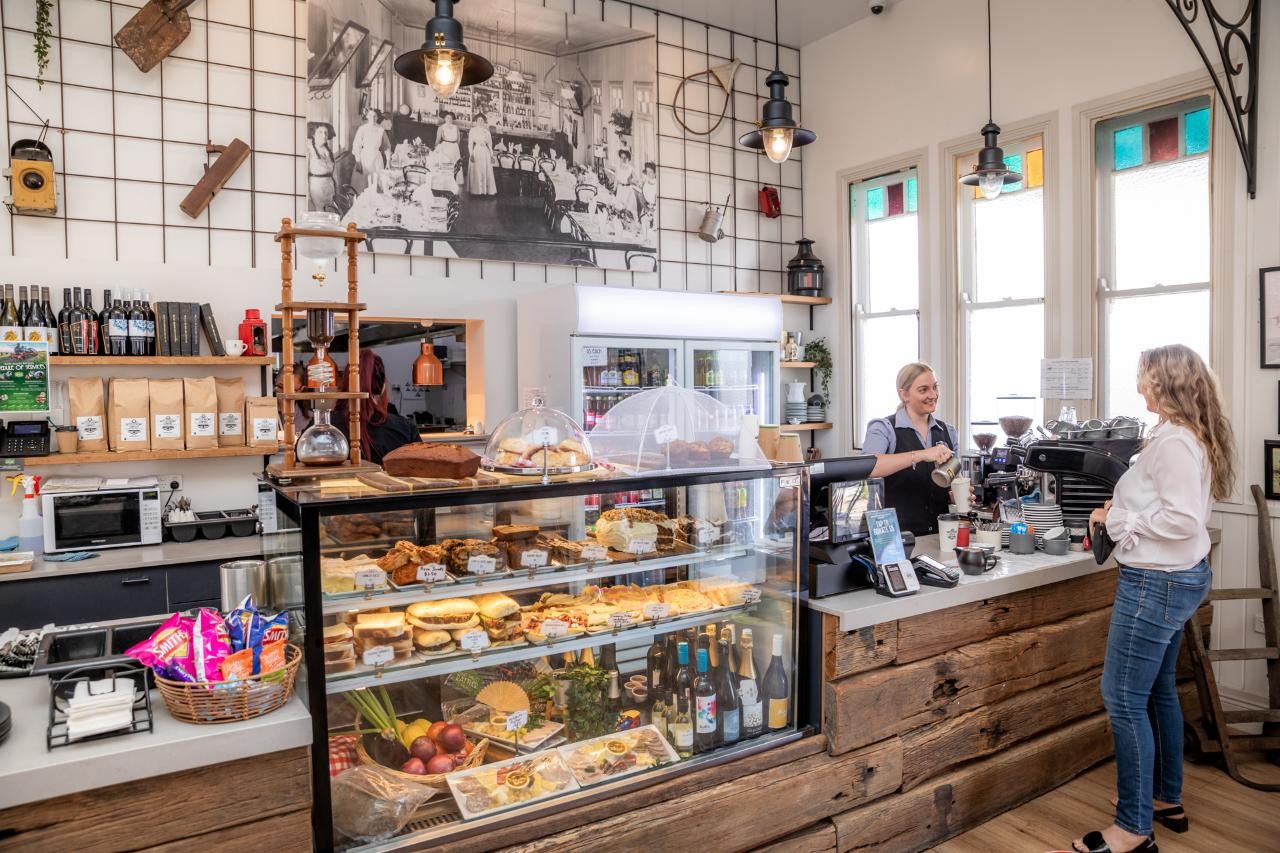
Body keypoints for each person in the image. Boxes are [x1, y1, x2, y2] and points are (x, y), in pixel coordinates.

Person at [1070, 345, 1235, 853]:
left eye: (1144, 377)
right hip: (1176, 577)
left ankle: (1132, 829)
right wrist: (1125, 506)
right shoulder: (1182, 434)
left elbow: (1183, 518)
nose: (1139, 385)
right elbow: (1172, 507)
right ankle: (1165, 799)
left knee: (1122, 699)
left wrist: (1115, 519)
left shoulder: (1175, 442)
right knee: (1159, 689)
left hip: (1154, 584)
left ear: (1165, 384)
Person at [860, 362, 957, 536]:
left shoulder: (948, 431)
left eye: (935, 387)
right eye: (923, 390)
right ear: (904, 395)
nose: (933, 395)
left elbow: (952, 482)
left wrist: (956, 494)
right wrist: (922, 454)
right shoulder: (884, 428)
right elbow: (868, 467)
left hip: (939, 536)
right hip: (895, 538)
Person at [337, 351, 422, 466]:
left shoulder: (326, 429)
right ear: (382, 387)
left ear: (344, 385)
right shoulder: (406, 428)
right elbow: (422, 468)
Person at [351, 109, 388, 193]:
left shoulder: (381, 130)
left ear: (377, 117)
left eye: (375, 116)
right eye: (370, 116)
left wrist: (388, 161)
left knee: (376, 181)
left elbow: (386, 146)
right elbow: (356, 145)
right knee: (363, 182)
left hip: (376, 158)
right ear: (367, 116)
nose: (372, 118)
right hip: (365, 157)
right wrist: (358, 161)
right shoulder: (362, 129)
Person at [307, 123, 337, 211]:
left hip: (329, 184)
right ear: (313, 134)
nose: (324, 135)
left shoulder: (327, 150)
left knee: (331, 210)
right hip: (316, 185)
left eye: (326, 133)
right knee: (319, 211)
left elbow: (334, 171)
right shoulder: (310, 150)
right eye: (320, 132)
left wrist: (335, 185)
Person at [467, 112, 497, 196]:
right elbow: (470, 144)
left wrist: (491, 155)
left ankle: (484, 191)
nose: (480, 122)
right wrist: (471, 154)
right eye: (479, 120)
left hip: (485, 152)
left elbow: (490, 145)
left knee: (485, 170)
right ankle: (476, 191)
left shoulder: (487, 132)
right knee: (476, 170)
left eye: (482, 120)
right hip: (476, 151)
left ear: (484, 122)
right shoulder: (473, 130)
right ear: (476, 121)